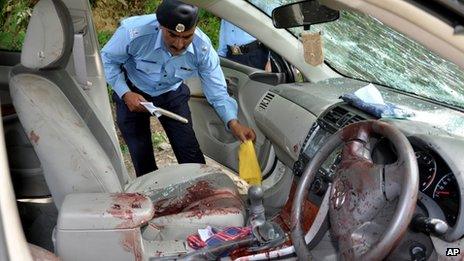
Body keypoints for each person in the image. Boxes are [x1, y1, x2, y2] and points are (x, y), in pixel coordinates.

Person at [101, 0, 256, 177]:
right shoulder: (133, 33)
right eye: (172, 35)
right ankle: (152, 198)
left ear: (195, 29)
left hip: (172, 94)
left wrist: (233, 123)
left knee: (190, 154)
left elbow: (217, 90)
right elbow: (107, 60)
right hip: (133, 90)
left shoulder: (203, 49)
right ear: (161, 26)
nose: (179, 44)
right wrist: (125, 92)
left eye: (187, 37)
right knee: (141, 156)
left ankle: (200, 195)